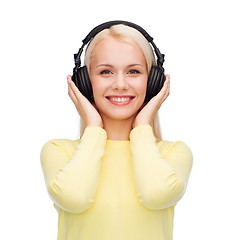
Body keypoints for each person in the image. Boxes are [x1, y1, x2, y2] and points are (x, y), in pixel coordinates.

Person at [40, 21, 193, 240]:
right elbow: (74, 197)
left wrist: (142, 127)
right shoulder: (59, 151)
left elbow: (155, 193)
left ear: (153, 82)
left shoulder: (172, 154)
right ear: (84, 82)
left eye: (133, 71)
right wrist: (93, 127)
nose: (120, 84)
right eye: (105, 72)